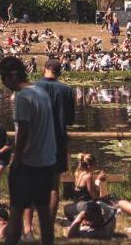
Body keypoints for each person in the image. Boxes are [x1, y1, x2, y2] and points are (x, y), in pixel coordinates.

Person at [0, 56, 56, 245]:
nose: (3, 83)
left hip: (28, 164)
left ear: (12, 75)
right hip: (46, 161)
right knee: (44, 213)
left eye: (3, 78)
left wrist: (16, 161)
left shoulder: (23, 97)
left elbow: (22, 133)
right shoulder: (41, 91)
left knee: (16, 212)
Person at [35, 57, 75, 225]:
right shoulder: (67, 90)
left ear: (45, 69)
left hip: (37, 140)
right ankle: (48, 223)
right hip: (58, 140)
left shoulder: (33, 88)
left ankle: (33, 221)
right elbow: (70, 120)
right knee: (53, 184)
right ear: (60, 72)